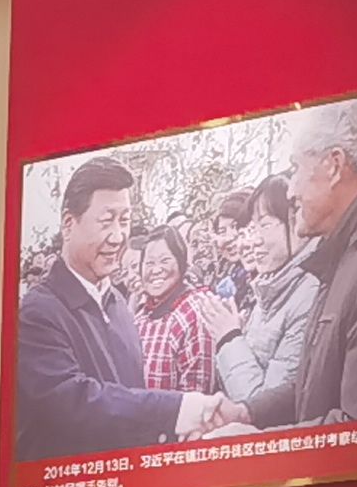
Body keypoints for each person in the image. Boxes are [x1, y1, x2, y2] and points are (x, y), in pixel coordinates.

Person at [15, 157, 242, 459]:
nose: (118, 236)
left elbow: (131, 397)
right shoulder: (38, 312)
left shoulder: (119, 305)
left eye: (124, 221)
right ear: (69, 224)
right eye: (106, 221)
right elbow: (73, 403)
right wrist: (177, 410)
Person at [277, 95, 357, 426]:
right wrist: (247, 413)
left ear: (334, 165)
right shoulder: (349, 248)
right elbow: (316, 383)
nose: (290, 191)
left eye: (296, 168)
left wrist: (253, 445)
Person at [207, 180, 323, 420]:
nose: (252, 241)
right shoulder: (270, 286)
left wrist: (229, 338)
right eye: (251, 229)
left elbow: (265, 408)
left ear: (297, 220)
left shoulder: (310, 294)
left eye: (265, 225)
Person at [130, 225, 225, 391]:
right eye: (149, 263)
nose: (156, 270)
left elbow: (198, 393)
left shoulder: (195, 312)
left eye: (165, 260)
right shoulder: (141, 317)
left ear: (181, 263)